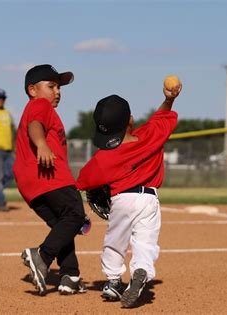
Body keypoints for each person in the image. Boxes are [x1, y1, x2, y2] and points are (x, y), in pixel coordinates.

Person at [76, 82, 182, 308]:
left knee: (115, 241)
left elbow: (82, 181)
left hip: (122, 199)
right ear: (131, 120)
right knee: (145, 242)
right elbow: (161, 118)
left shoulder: (104, 158)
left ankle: (114, 281)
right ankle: (142, 269)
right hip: (150, 200)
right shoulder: (152, 136)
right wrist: (169, 99)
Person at [14, 64, 87, 296]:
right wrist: (42, 144)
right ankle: (42, 256)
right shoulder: (40, 104)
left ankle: (70, 275)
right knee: (75, 215)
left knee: (62, 225)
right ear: (32, 90)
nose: (57, 92)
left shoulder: (35, 106)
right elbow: (35, 126)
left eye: (59, 87)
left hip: (31, 183)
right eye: (51, 86)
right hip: (50, 175)